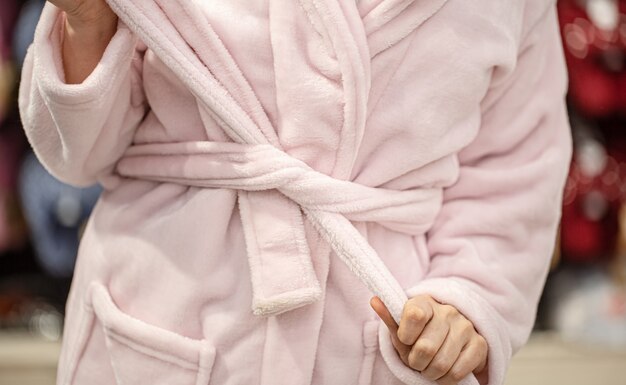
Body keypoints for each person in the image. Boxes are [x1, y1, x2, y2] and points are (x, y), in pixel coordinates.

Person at [19, 0, 572, 384]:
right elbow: (78, 158)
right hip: (167, 305)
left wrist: (467, 299)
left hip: (379, 332)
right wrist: (85, 26)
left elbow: (514, 166)